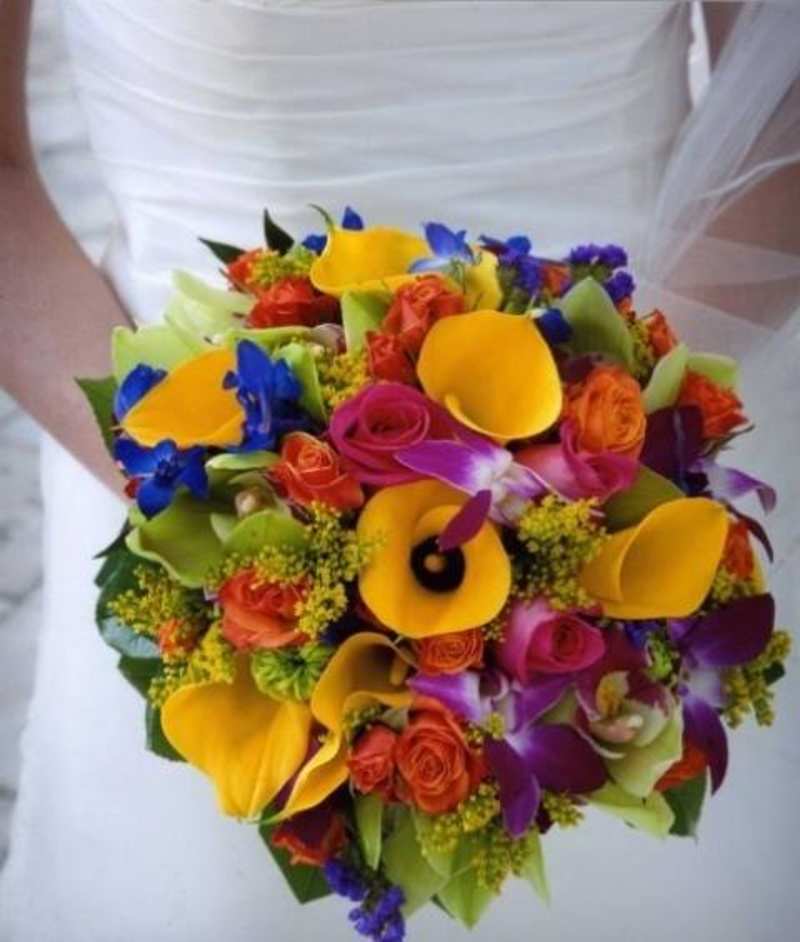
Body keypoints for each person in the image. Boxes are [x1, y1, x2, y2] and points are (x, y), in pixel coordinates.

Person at [0, 2, 798, 940]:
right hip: (200, 486)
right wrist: (204, 495)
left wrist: (606, 450)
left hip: (633, 481)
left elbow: (782, 102)